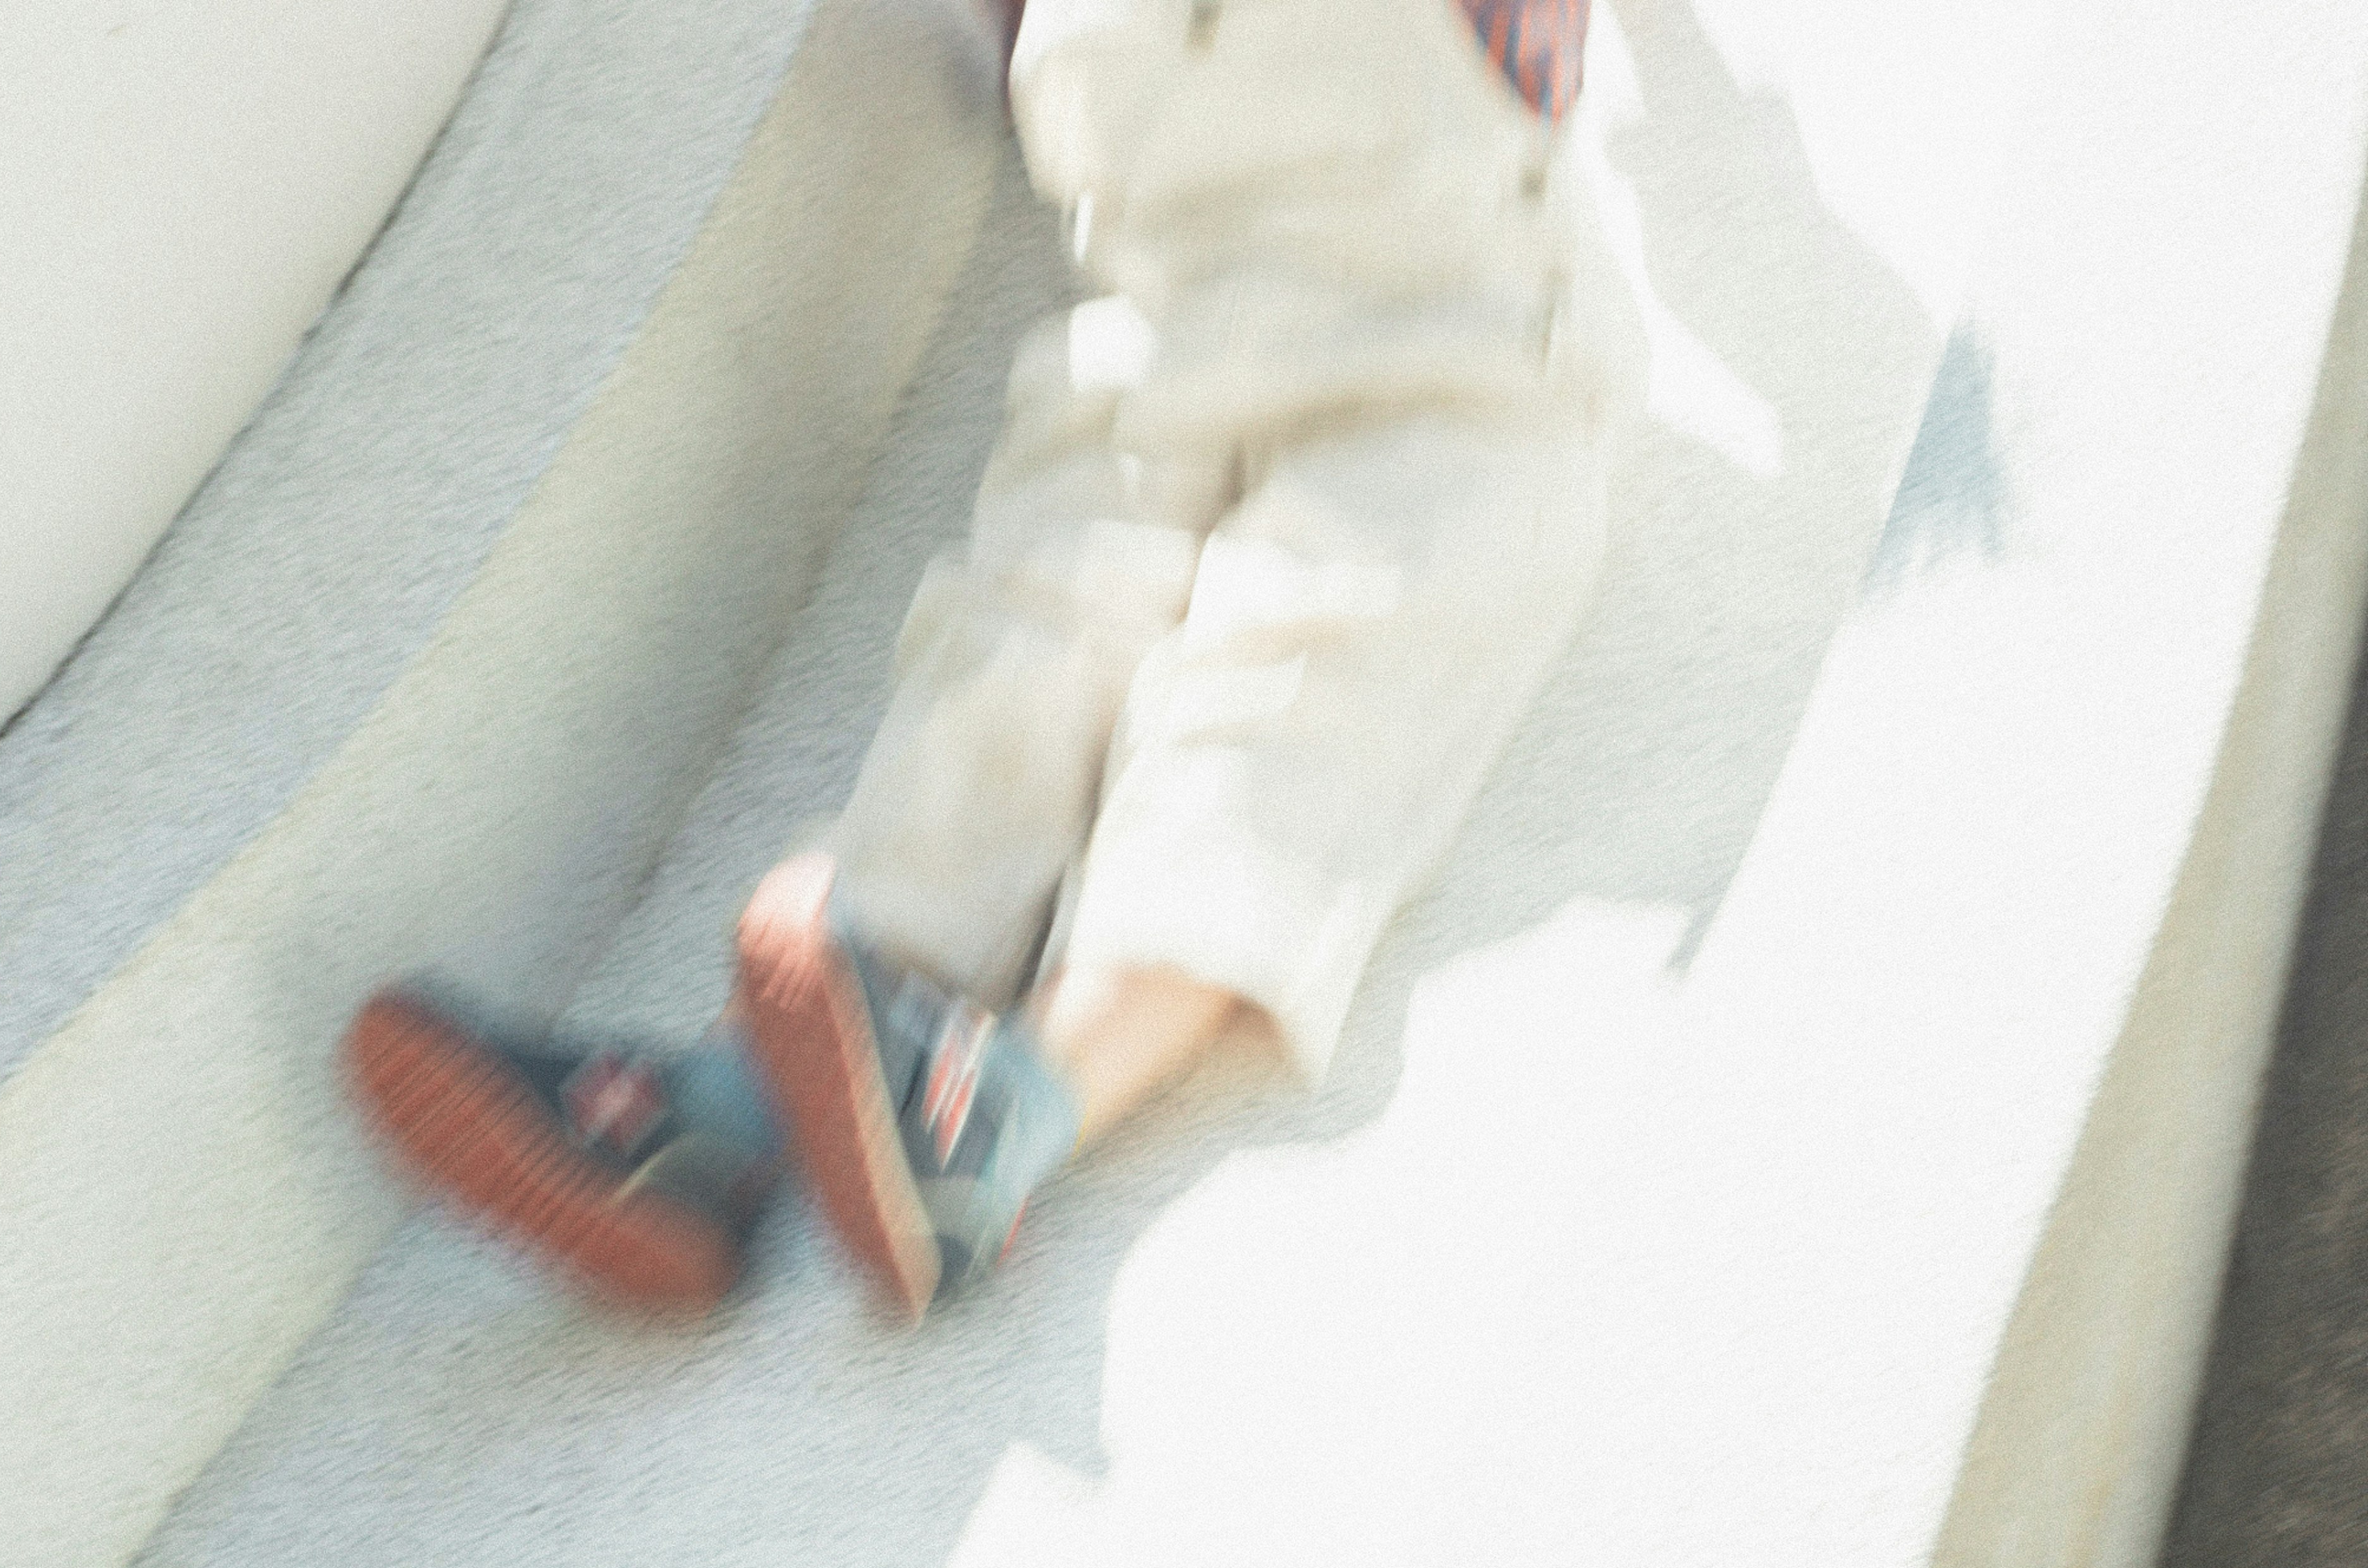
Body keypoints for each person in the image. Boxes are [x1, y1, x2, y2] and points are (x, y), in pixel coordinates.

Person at [344, 0, 1637, 1322]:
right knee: (1165, 629)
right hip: (1260, 204)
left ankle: (870, 1111)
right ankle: (868, 1111)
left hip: (1293, 212)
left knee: (1183, 631)